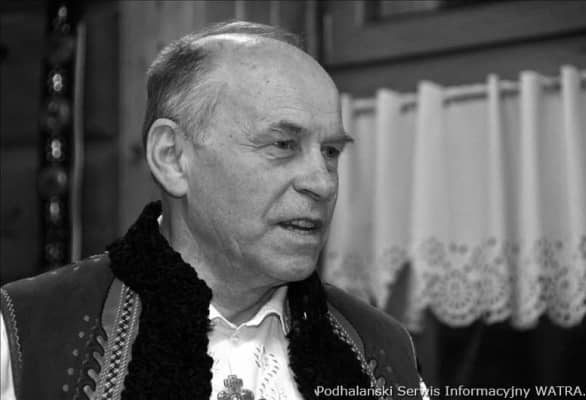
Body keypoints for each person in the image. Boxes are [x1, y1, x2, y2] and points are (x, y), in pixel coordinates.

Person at [0, 21, 425, 400]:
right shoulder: (27, 336)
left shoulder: (383, 355)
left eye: (330, 151)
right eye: (283, 145)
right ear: (172, 158)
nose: (323, 183)